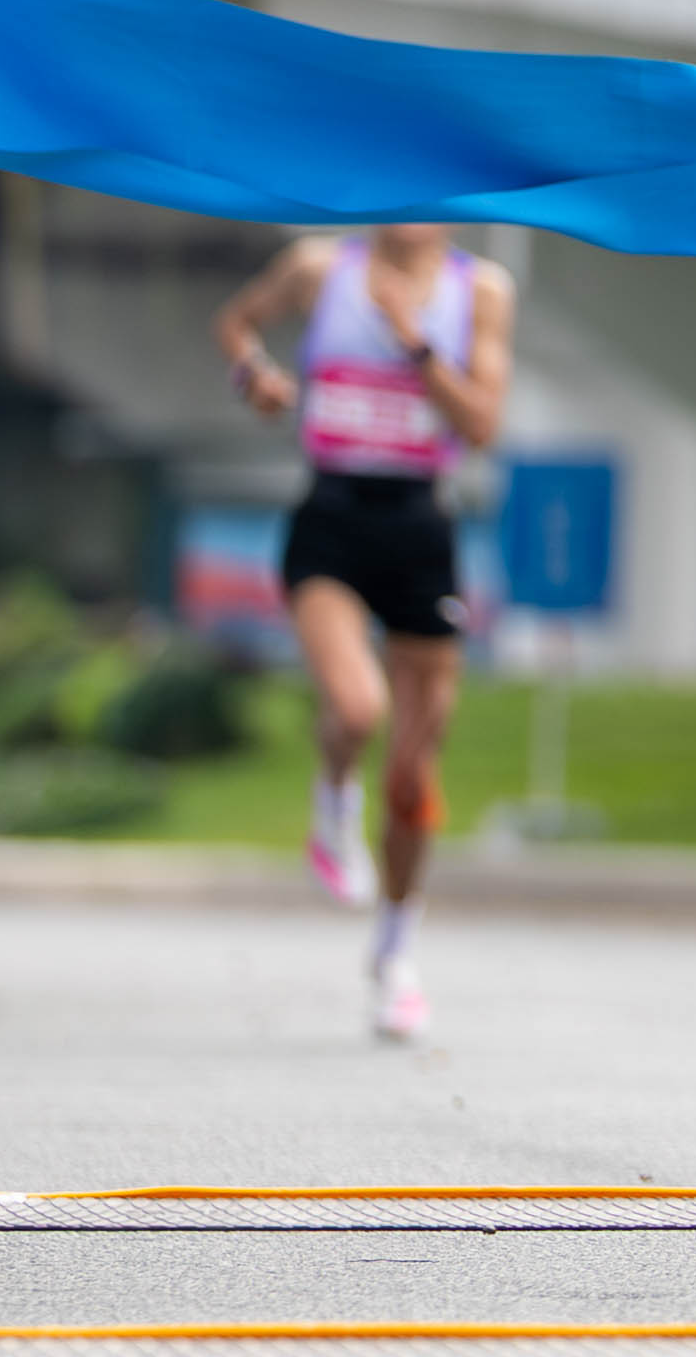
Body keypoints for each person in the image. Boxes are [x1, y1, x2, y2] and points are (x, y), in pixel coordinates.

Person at [213, 224, 517, 1042]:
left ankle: (395, 953)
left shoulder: (479, 290)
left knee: (416, 777)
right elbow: (236, 321)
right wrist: (257, 376)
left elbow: (483, 423)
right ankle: (333, 795)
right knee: (355, 708)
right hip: (332, 520)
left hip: (419, 526)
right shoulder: (322, 267)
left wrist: (412, 341)